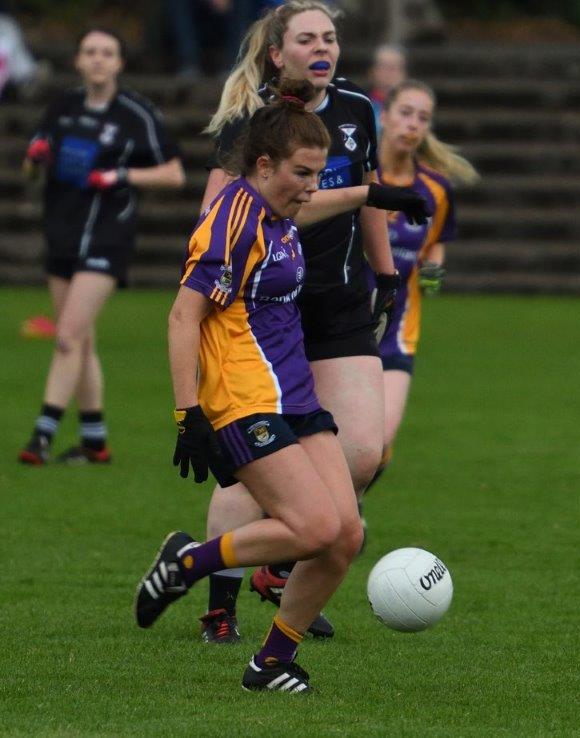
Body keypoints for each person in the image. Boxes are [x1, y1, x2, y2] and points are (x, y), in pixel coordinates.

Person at [198, 0, 430, 643]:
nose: (323, 48)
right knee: (258, 472)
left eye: (330, 37)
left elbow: (370, 198)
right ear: (279, 54)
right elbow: (219, 217)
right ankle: (222, 603)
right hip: (265, 314)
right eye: (307, 39)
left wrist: (386, 275)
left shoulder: (358, 110)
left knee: (362, 451)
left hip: (337, 302)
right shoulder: (254, 122)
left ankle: (278, 567)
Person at [135, 78, 363, 694]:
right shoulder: (233, 219)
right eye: (304, 173)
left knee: (344, 536)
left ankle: (269, 664)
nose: (312, 186)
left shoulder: (280, 210)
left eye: (320, 173)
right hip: (243, 398)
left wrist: (375, 192)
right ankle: (189, 564)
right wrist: (188, 415)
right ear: (264, 165)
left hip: (295, 397)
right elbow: (184, 317)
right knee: (312, 528)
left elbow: (313, 205)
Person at [18, 27, 185, 466]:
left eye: (106, 52)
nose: (97, 59)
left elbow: (174, 174)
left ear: (118, 63)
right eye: (89, 51)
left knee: (67, 336)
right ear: (77, 60)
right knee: (81, 341)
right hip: (62, 234)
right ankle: (95, 442)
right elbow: (32, 166)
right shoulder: (63, 108)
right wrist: (34, 160)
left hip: (108, 237)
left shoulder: (136, 114)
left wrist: (121, 177)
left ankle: (42, 433)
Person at [362, 79, 477, 496]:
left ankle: (344, 513)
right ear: (385, 115)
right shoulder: (357, 177)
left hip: (397, 332)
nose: (413, 124)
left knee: (377, 447)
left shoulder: (435, 190)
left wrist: (432, 275)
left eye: (423, 118)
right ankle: (327, 519)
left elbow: (436, 246)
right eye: (406, 113)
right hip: (341, 326)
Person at [367, 43, 407, 131]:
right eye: (384, 66)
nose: (389, 73)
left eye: (394, 67)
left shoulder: (411, 109)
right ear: (372, 72)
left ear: (403, 74)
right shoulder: (360, 105)